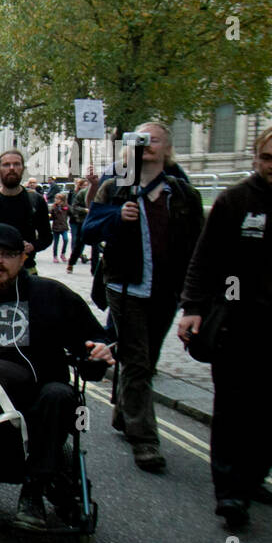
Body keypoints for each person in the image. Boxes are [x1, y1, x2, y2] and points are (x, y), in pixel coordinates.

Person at [0, 223, 114, 528]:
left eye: (7, 254)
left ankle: (34, 491)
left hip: (39, 396)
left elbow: (93, 339)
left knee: (60, 394)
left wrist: (98, 352)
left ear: (23, 258)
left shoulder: (53, 295)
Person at [178, 122, 272, 526]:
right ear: (256, 159)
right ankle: (230, 492)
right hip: (238, 323)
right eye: (267, 157)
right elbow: (203, 260)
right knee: (233, 409)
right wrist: (192, 307)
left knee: (271, 413)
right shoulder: (234, 201)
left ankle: (253, 475)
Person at [81, 121, 204, 472]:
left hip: (166, 291)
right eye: (141, 139)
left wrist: (195, 299)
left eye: (155, 139)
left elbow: (199, 248)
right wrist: (117, 218)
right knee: (136, 359)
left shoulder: (182, 194)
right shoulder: (115, 188)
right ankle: (145, 440)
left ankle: (124, 413)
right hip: (124, 287)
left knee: (146, 360)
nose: (148, 144)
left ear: (167, 147)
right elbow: (89, 232)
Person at [0, 149, 50, 273]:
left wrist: (33, 246)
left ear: (23, 169)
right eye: (6, 165)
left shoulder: (35, 201)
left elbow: (46, 237)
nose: (12, 168)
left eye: (17, 164)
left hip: (26, 269)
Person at [50, 192, 71, 262]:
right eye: (56, 198)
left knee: (66, 239)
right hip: (56, 227)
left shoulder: (66, 207)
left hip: (64, 227)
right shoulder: (54, 207)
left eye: (58, 199)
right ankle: (55, 256)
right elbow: (51, 216)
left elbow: (71, 213)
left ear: (62, 200)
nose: (56, 200)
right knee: (56, 242)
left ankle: (63, 253)